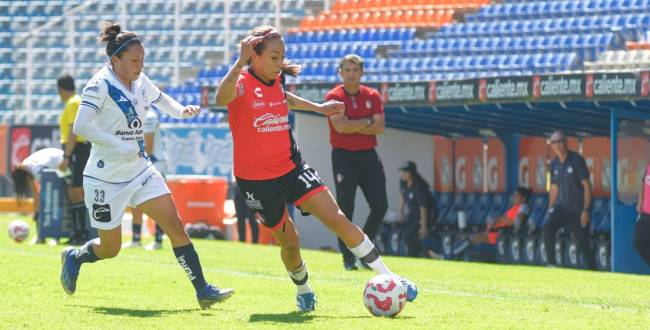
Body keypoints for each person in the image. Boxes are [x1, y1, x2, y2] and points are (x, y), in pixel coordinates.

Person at [215, 25, 417, 312]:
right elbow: (220, 99)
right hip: (257, 182)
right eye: (274, 56)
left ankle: (389, 278)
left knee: (338, 218)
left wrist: (318, 108)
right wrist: (238, 62)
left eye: (282, 56)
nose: (280, 62)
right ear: (254, 55)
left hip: (292, 168)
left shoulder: (277, 78)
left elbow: (284, 98)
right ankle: (303, 288)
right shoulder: (243, 82)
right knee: (291, 243)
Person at [60, 22, 233, 309]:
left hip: (141, 171)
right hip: (105, 179)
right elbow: (81, 126)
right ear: (115, 60)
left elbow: (159, 98)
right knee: (110, 248)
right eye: (134, 60)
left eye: (142, 59)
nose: (140, 65)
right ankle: (75, 257)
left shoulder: (140, 79)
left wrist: (181, 111)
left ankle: (203, 290)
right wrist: (117, 144)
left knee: (175, 225)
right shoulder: (99, 85)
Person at [325, 54, 388, 270]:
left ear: (361, 72)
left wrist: (353, 123)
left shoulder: (372, 94)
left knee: (381, 205)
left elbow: (379, 127)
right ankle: (348, 258)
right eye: (347, 70)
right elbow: (340, 127)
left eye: (355, 70)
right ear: (340, 72)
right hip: (344, 156)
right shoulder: (334, 96)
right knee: (345, 209)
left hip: (368, 155)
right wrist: (367, 121)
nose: (351, 74)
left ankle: (363, 249)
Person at [543, 130, 596, 269]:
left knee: (583, 243)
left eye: (559, 141)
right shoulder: (554, 163)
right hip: (561, 208)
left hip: (577, 210)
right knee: (548, 228)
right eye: (553, 142)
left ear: (565, 142)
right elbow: (554, 188)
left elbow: (587, 186)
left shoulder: (576, 160)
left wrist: (586, 210)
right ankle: (552, 264)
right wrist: (550, 208)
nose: (557, 145)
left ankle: (593, 271)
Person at [123, 108, 166, 250]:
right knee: (136, 200)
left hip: (154, 163)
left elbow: (149, 147)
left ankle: (158, 240)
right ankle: (136, 239)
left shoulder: (149, 116)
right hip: (143, 162)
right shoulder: (139, 114)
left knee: (157, 202)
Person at [57, 74, 93, 245]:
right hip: (78, 149)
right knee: (76, 191)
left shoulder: (72, 103)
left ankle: (81, 232)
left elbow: (74, 131)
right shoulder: (75, 101)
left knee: (76, 190)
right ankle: (79, 231)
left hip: (77, 149)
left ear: (61, 90)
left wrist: (67, 156)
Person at [452, 187, 532, 257]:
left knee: (472, 238)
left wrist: (499, 220)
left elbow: (516, 222)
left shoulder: (524, 207)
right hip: (495, 232)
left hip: (502, 235)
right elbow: (503, 219)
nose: (513, 197)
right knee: (468, 237)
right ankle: (458, 255)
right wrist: (494, 222)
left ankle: (453, 255)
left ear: (523, 198)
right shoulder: (513, 208)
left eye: (516, 195)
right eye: (513, 195)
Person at [11, 147, 64, 243]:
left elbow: (45, 192)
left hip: (62, 163)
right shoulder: (25, 167)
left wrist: (38, 212)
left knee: (54, 203)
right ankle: (41, 236)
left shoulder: (37, 170)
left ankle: (55, 236)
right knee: (43, 207)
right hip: (56, 162)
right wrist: (36, 211)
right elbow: (36, 192)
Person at [398, 161, 437, 258]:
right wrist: (401, 213)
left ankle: (416, 255)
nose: (403, 174)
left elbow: (423, 207)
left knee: (409, 236)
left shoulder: (419, 186)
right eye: (402, 171)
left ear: (412, 173)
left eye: (406, 172)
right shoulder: (403, 183)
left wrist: (424, 226)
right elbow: (402, 197)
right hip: (413, 214)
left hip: (425, 215)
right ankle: (425, 253)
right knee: (407, 235)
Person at [634, 160, 650, 265]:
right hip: (645, 213)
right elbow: (643, 183)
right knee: (639, 243)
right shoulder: (648, 166)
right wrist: (640, 201)